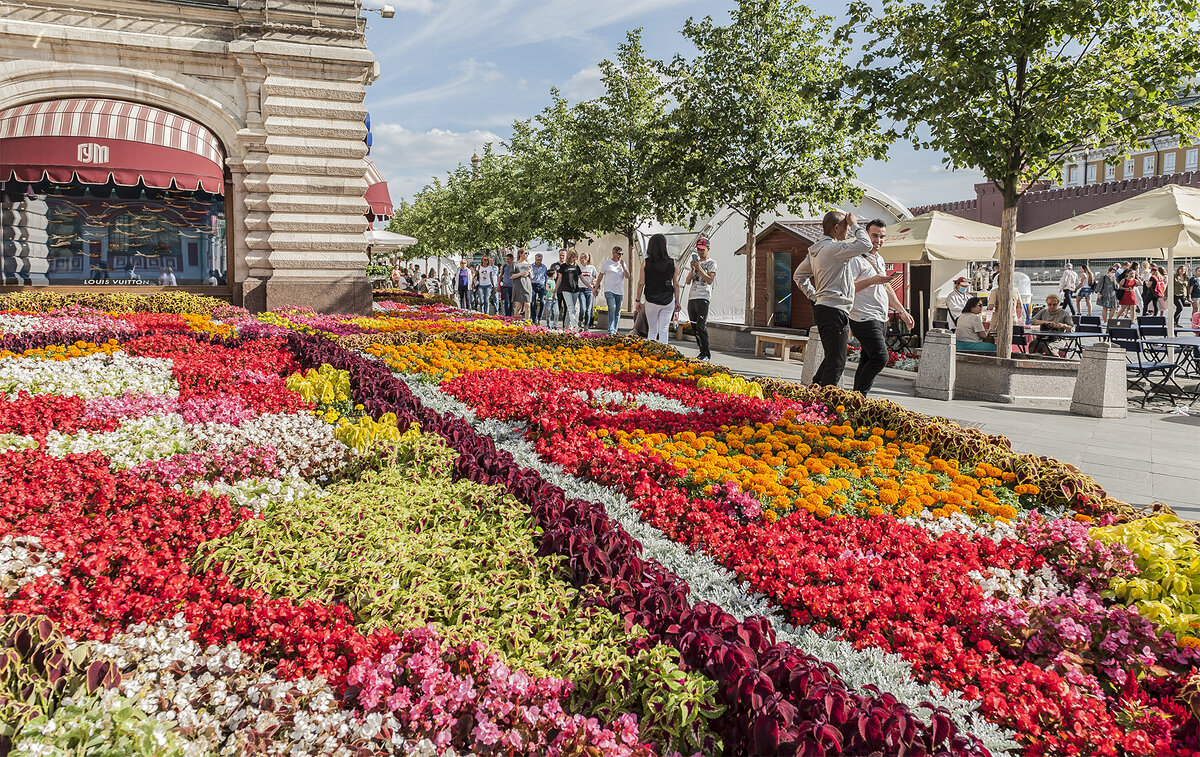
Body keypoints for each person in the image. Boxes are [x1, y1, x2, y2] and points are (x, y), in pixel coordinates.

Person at [792, 210, 873, 386]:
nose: (848, 231)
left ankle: (815, 391)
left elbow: (798, 276)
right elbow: (866, 245)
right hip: (835, 309)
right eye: (846, 227)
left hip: (824, 307)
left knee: (832, 357)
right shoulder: (834, 248)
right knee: (837, 361)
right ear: (836, 228)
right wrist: (855, 224)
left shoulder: (815, 250)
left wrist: (815, 297)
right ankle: (824, 405)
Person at [847, 220, 916, 393]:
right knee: (880, 357)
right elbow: (850, 288)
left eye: (882, 236)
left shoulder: (879, 258)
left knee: (867, 358)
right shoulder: (856, 259)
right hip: (863, 317)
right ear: (866, 235)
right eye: (874, 235)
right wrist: (873, 280)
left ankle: (857, 399)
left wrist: (902, 311)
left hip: (880, 317)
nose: (878, 240)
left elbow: (886, 287)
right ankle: (859, 397)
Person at [636, 233, 680, 344]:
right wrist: (677, 301)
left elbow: (641, 283)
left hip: (651, 299)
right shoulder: (672, 262)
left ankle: (650, 355)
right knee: (664, 330)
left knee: (652, 329)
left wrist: (638, 301)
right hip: (668, 300)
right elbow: (676, 284)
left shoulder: (646, 262)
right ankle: (664, 355)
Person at [685, 236, 717, 361]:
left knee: (701, 326)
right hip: (692, 296)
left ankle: (706, 353)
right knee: (694, 326)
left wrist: (700, 269)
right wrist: (692, 269)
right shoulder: (696, 263)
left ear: (708, 249)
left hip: (703, 296)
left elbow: (709, 280)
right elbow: (687, 282)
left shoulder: (712, 263)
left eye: (702, 249)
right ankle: (701, 352)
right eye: (698, 249)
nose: (700, 252)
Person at [596, 246, 630, 335]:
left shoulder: (623, 264)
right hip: (609, 290)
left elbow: (628, 276)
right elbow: (600, 275)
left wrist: (623, 267)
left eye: (622, 254)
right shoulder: (607, 263)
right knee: (612, 308)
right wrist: (596, 287)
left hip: (620, 291)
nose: (620, 256)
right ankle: (611, 330)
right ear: (613, 253)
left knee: (617, 311)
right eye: (619, 253)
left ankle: (615, 330)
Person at [556, 250, 583, 330]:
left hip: (575, 290)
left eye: (575, 257)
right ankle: (575, 325)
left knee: (569, 310)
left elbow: (582, 279)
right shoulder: (564, 266)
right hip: (566, 290)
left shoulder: (577, 267)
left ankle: (566, 327)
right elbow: (559, 279)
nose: (574, 258)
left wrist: (591, 288)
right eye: (573, 257)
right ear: (569, 256)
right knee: (571, 308)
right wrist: (555, 290)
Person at [510, 248, 533, 320]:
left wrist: (530, 272)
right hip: (518, 285)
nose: (527, 255)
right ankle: (515, 320)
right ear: (520, 254)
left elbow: (531, 277)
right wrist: (521, 274)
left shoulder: (529, 265)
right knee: (518, 305)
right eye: (525, 253)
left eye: (527, 253)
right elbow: (511, 276)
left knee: (527, 304)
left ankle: (527, 321)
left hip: (527, 285)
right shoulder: (515, 264)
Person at [547, 249, 567, 328]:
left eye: (563, 255)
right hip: (556, 290)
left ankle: (564, 325)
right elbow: (550, 277)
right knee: (556, 309)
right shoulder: (554, 265)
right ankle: (554, 325)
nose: (561, 257)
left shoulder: (567, 265)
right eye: (560, 255)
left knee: (566, 308)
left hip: (565, 290)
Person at [578, 252, 597, 329]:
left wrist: (594, 280)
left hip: (589, 290)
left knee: (589, 309)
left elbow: (596, 277)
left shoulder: (592, 267)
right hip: (580, 289)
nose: (581, 260)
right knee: (583, 307)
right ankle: (580, 320)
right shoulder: (578, 267)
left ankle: (586, 325)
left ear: (586, 259)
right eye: (580, 258)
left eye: (582, 258)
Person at [531, 253, 548, 323]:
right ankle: (534, 319)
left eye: (540, 260)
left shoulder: (544, 267)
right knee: (533, 303)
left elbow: (546, 277)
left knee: (542, 302)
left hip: (541, 285)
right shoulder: (531, 266)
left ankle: (540, 316)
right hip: (533, 285)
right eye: (538, 260)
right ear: (535, 259)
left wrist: (546, 286)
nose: (539, 261)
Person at [500, 251, 515, 316]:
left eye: (508, 259)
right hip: (505, 286)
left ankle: (510, 315)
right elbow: (500, 275)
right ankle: (507, 315)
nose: (507, 260)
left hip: (513, 286)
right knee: (507, 302)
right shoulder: (505, 266)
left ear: (512, 259)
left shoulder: (515, 266)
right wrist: (498, 285)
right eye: (506, 259)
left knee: (512, 302)